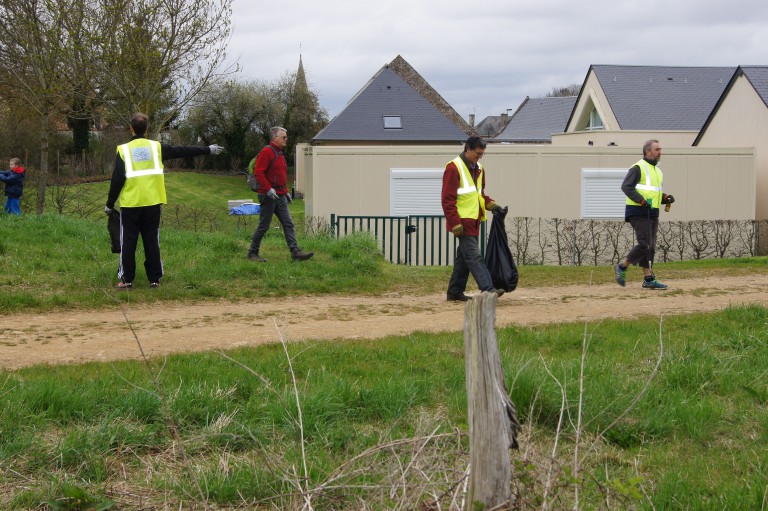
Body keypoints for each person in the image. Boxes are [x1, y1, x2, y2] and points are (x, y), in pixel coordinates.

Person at [105, 112, 224, 290]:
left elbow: (117, 180)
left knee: (128, 242)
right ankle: (154, 280)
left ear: (131, 129)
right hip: (153, 203)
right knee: (152, 241)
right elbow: (181, 151)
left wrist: (109, 203)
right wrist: (207, 149)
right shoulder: (156, 148)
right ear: (146, 130)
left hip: (130, 204)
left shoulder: (123, 150)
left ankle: (127, 280)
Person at [441, 136, 505, 302]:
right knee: (474, 256)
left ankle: (455, 292)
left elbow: (479, 195)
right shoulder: (453, 168)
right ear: (467, 149)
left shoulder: (480, 169)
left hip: (474, 220)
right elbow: (447, 199)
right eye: (478, 153)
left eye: (482, 154)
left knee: (463, 259)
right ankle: (489, 290)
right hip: (462, 223)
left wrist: (492, 205)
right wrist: (454, 222)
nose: (480, 156)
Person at [614, 139, 675, 289]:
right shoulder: (637, 168)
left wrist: (665, 198)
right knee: (644, 244)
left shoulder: (658, 171)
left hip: (652, 212)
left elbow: (653, 194)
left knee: (651, 247)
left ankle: (648, 279)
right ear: (648, 151)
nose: (660, 152)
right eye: (657, 149)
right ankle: (622, 266)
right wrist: (641, 201)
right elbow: (626, 187)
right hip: (638, 211)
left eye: (660, 149)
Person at [246, 127, 313, 262]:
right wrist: (268, 189)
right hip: (268, 196)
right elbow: (259, 173)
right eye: (284, 137)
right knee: (264, 225)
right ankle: (252, 253)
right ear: (275, 138)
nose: (286, 139)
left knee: (288, 223)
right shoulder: (267, 152)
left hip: (280, 196)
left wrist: (286, 192)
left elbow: (280, 176)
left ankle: (295, 252)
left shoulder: (279, 153)